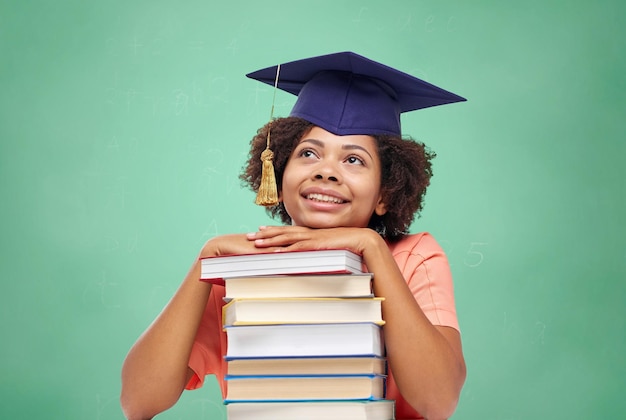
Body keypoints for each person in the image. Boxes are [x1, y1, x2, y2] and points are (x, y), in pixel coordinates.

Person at [120, 51, 467, 420]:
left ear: (385, 193)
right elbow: (139, 402)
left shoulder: (413, 258)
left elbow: (438, 401)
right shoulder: (239, 273)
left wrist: (371, 248)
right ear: (279, 176)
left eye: (353, 160)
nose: (326, 172)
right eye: (308, 154)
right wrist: (205, 263)